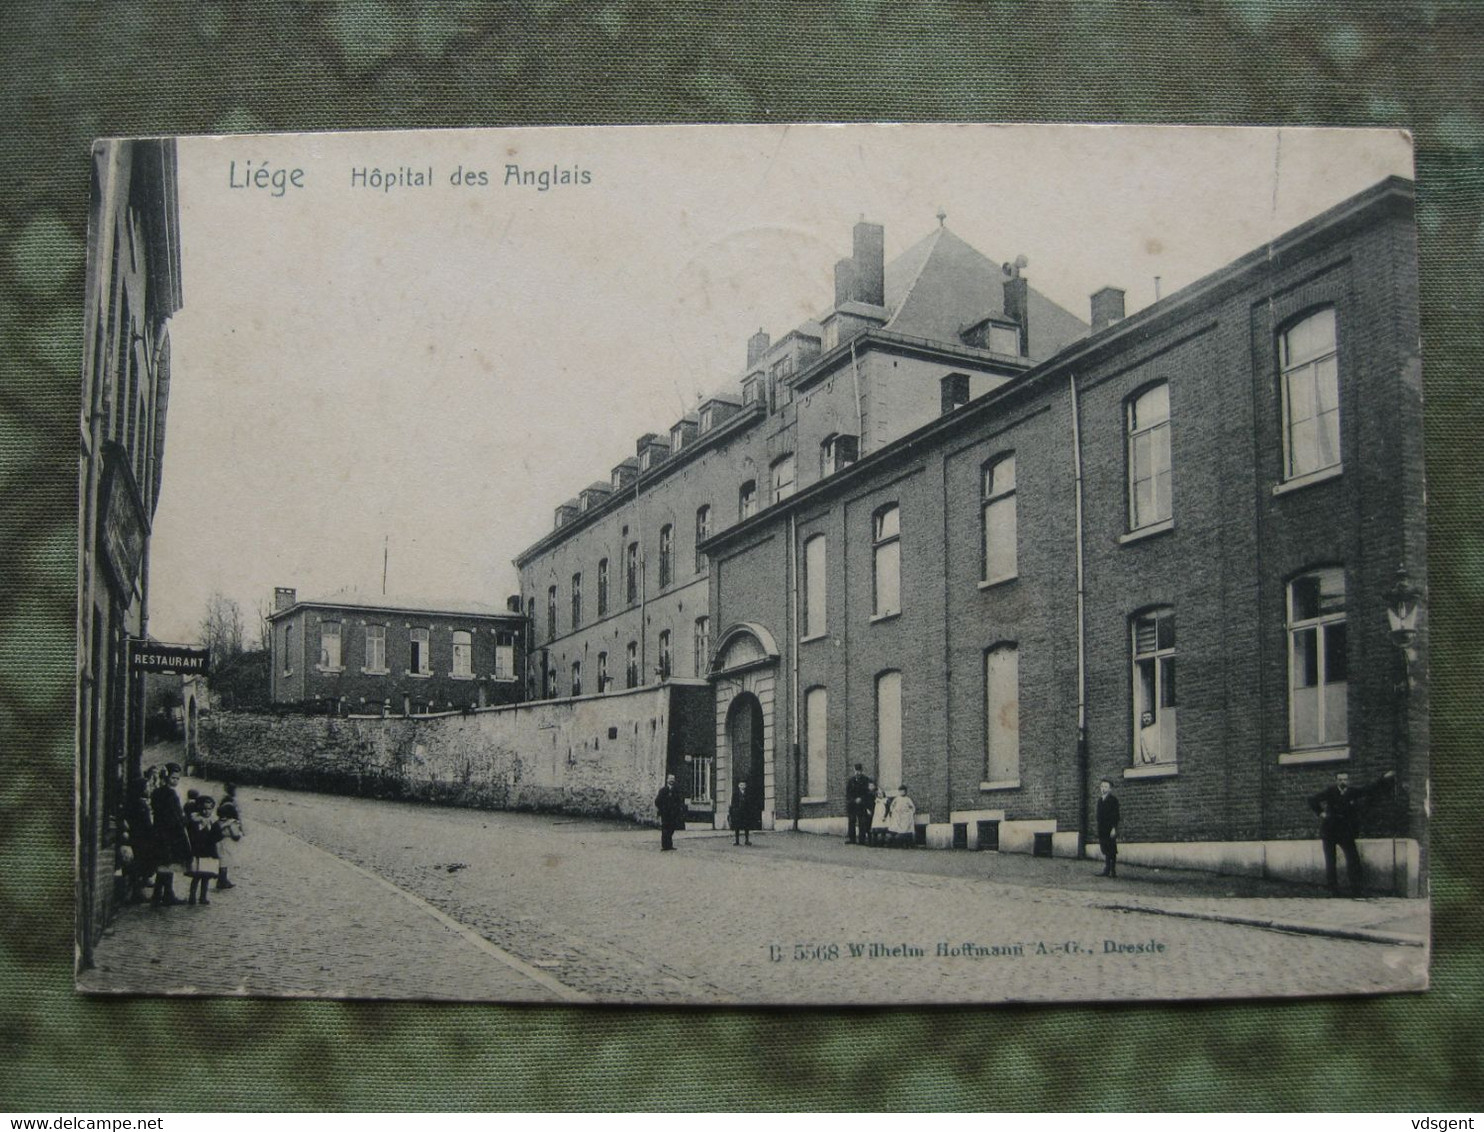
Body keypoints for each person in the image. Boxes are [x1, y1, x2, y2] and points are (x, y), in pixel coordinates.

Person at [1309, 770, 1395, 895]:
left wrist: (1383, 779)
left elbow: (1368, 789)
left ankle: (1356, 889)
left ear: (1348, 780)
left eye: (1345, 779)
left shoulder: (1352, 792)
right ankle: (1333, 891)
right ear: (1336, 780)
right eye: (1340, 779)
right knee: (1330, 861)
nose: (1343, 782)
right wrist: (1321, 813)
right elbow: (1312, 800)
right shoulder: (1330, 791)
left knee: (1353, 859)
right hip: (1330, 831)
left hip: (1345, 832)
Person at [149, 763, 191, 906]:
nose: (175, 781)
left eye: (177, 779)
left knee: (164, 864)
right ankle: (166, 895)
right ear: (167, 777)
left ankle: (160, 894)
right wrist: (184, 822)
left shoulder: (156, 792)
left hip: (159, 832)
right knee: (168, 864)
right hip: (170, 833)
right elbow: (176, 814)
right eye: (173, 778)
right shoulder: (170, 794)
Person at [186, 795, 223, 906]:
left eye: (209, 809)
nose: (206, 811)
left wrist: (211, 832)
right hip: (198, 851)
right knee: (197, 875)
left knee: (206, 875)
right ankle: (192, 896)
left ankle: (203, 896)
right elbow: (192, 835)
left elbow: (218, 836)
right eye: (204, 809)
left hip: (209, 852)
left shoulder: (214, 822)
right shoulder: (195, 821)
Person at [216, 784, 244, 890]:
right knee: (225, 861)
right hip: (226, 843)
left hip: (221, 843)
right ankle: (222, 880)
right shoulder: (230, 803)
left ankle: (223, 879)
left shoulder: (224, 801)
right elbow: (235, 834)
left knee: (224, 860)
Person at [654, 773, 687, 851]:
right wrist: (662, 809)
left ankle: (670, 845)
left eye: (673, 779)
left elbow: (679, 801)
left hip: (673, 813)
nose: (672, 780)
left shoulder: (676, 791)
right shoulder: (663, 790)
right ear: (667, 780)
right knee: (665, 828)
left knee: (671, 829)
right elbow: (657, 801)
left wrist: (678, 810)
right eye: (670, 779)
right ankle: (665, 846)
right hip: (665, 814)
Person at [1095, 778, 1120, 877]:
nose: (1103, 789)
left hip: (1110, 828)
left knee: (1112, 849)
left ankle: (1113, 871)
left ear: (1110, 789)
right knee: (1105, 848)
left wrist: (1114, 828)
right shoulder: (1100, 800)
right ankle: (1106, 869)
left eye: (1106, 787)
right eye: (1102, 786)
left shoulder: (1113, 800)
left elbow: (1116, 815)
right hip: (1102, 828)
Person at [845, 763, 872, 844]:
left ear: (861, 771)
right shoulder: (851, 781)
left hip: (862, 804)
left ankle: (861, 839)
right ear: (854, 771)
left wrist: (861, 799)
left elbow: (867, 792)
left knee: (862, 821)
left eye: (859, 771)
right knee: (851, 821)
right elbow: (848, 794)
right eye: (856, 771)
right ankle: (852, 839)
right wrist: (853, 800)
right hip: (852, 805)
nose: (858, 772)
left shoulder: (866, 780)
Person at [729, 779, 759, 846]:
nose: (742, 786)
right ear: (738, 786)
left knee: (746, 827)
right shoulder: (735, 794)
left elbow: (750, 803)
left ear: (745, 786)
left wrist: (749, 811)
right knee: (737, 827)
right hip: (738, 813)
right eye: (741, 785)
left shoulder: (747, 794)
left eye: (743, 785)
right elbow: (733, 804)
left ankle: (747, 840)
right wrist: (734, 812)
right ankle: (737, 841)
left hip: (745, 813)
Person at [858, 779, 879, 846]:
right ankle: (867, 841)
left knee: (873, 826)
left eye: (872, 785)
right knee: (867, 826)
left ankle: (873, 841)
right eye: (870, 786)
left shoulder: (876, 794)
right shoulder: (866, 794)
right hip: (867, 812)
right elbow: (864, 803)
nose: (871, 787)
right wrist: (867, 809)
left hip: (875, 811)